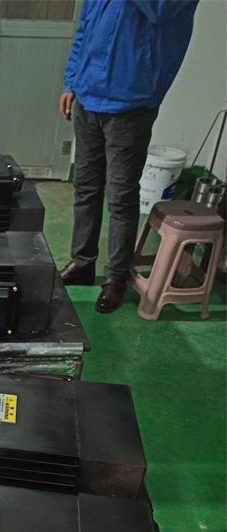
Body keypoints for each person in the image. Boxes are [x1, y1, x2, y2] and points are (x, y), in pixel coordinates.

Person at [59, 0, 198, 313]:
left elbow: (159, 10)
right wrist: (71, 80)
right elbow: (85, 28)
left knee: (121, 197)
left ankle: (116, 277)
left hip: (131, 102)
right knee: (86, 188)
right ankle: (82, 263)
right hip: (87, 95)